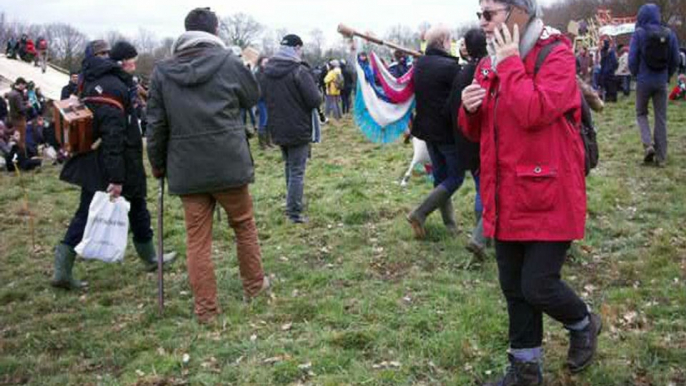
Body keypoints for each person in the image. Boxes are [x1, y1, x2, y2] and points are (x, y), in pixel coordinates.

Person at [460, 0, 601, 384]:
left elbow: (535, 110)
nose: (483, 24)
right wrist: (469, 109)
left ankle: (583, 322)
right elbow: (478, 131)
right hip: (505, 195)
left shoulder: (556, 53)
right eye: (480, 15)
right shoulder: (487, 62)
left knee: (537, 284)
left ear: (518, 11)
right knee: (513, 288)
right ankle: (525, 369)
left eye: (489, 14)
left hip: (549, 192)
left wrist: (509, 64)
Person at [147, 8, 269, 322]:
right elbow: (252, 95)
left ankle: (207, 309)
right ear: (214, 31)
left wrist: (157, 165)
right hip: (228, 162)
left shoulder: (162, 72)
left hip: (187, 167)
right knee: (243, 226)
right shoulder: (228, 62)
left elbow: (156, 126)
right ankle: (255, 288)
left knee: (197, 239)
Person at [52, 39, 176, 290]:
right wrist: (116, 178)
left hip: (118, 158)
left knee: (138, 205)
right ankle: (62, 269)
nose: (134, 62)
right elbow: (112, 135)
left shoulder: (97, 81)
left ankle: (150, 257)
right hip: (112, 162)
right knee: (87, 213)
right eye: (131, 58)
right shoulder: (109, 86)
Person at [406, 25, 462, 238]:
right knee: (455, 177)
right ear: (444, 41)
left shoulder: (419, 65)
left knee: (441, 178)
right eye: (451, 40)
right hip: (447, 132)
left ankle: (450, 226)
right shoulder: (450, 67)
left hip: (427, 130)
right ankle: (420, 213)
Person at [262, 34, 322, 223]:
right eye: (300, 49)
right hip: (298, 127)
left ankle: (291, 204)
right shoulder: (298, 70)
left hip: (278, 127)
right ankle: (294, 212)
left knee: (289, 166)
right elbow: (314, 99)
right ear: (296, 48)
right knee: (297, 170)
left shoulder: (268, 70)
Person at [449, 28, 490, 259]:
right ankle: (480, 237)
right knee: (485, 190)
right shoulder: (480, 72)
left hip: (464, 142)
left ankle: (482, 235)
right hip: (478, 141)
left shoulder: (462, 73)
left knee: (481, 188)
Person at [629, 3, 681, 167]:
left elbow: (632, 59)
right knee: (661, 118)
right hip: (661, 81)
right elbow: (676, 59)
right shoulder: (669, 34)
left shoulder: (639, 33)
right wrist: (668, 75)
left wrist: (636, 74)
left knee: (641, 113)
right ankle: (661, 158)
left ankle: (648, 145)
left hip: (643, 80)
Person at [255, 56, 273, 149]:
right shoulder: (258, 74)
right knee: (263, 121)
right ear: (260, 63)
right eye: (265, 63)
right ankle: (262, 144)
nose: (266, 64)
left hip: (269, 100)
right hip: (262, 100)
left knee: (269, 121)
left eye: (267, 62)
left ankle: (269, 142)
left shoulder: (269, 73)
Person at [7, 78, 28, 150]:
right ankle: (22, 155)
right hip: (19, 119)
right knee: (21, 139)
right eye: (24, 85)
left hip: (13, 118)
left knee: (16, 137)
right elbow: (21, 109)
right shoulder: (17, 95)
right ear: (20, 84)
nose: (25, 87)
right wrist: (27, 106)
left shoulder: (11, 93)